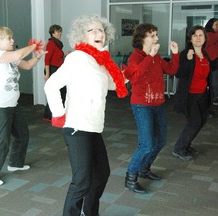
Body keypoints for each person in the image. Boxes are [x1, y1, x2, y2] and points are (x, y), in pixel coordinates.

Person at [44, 15, 128, 216]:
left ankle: (89, 212)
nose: (99, 33)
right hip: (77, 126)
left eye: (101, 30)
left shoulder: (99, 60)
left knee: (101, 174)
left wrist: (125, 75)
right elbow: (51, 85)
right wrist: (59, 114)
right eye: (93, 30)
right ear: (82, 35)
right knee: (82, 180)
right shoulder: (77, 58)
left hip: (93, 126)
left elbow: (108, 85)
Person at [0, 26, 46, 186]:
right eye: (9, 38)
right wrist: (34, 46)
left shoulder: (10, 58)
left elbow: (27, 65)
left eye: (12, 37)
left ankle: (15, 164)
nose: (13, 40)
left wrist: (38, 56)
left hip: (12, 104)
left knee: (22, 134)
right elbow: (19, 54)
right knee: (1, 141)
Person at [123, 23, 179, 193]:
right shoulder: (135, 57)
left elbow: (171, 70)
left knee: (160, 140)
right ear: (142, 39)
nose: (156, 38)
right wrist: (150, 57)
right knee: (146, 144)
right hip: (142, 105)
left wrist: (175, 54)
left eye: (156, 34)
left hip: (158, 104)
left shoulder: (156, 56)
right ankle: (131, 177)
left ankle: (145, 169)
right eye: (152, 35)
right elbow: (135, 78)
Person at [173, 25, 218, 160]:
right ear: (190, 38)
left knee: (201, 121)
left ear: (205, 38)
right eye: (195, 35)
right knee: (194, 122)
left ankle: (186, 145)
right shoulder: (186, 53)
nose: (198, 38)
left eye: (201, 35)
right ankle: (179, 148)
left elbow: (212, 67)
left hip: (202, 95)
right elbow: (179, 73)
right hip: (189, 95)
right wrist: (189, 60)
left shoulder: (204, 53)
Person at [43, 24, 65, 121]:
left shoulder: (58, 43)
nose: (60, 33)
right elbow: (47, 60)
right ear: (52, 33)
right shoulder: (51, 43)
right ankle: (48, 115)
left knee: (62, 92)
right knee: (55, 92)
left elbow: (57, 58)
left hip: (59, 70)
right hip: (53, 70)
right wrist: (47, 74)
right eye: (57, 31)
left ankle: (57, 114)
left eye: (60, 31)